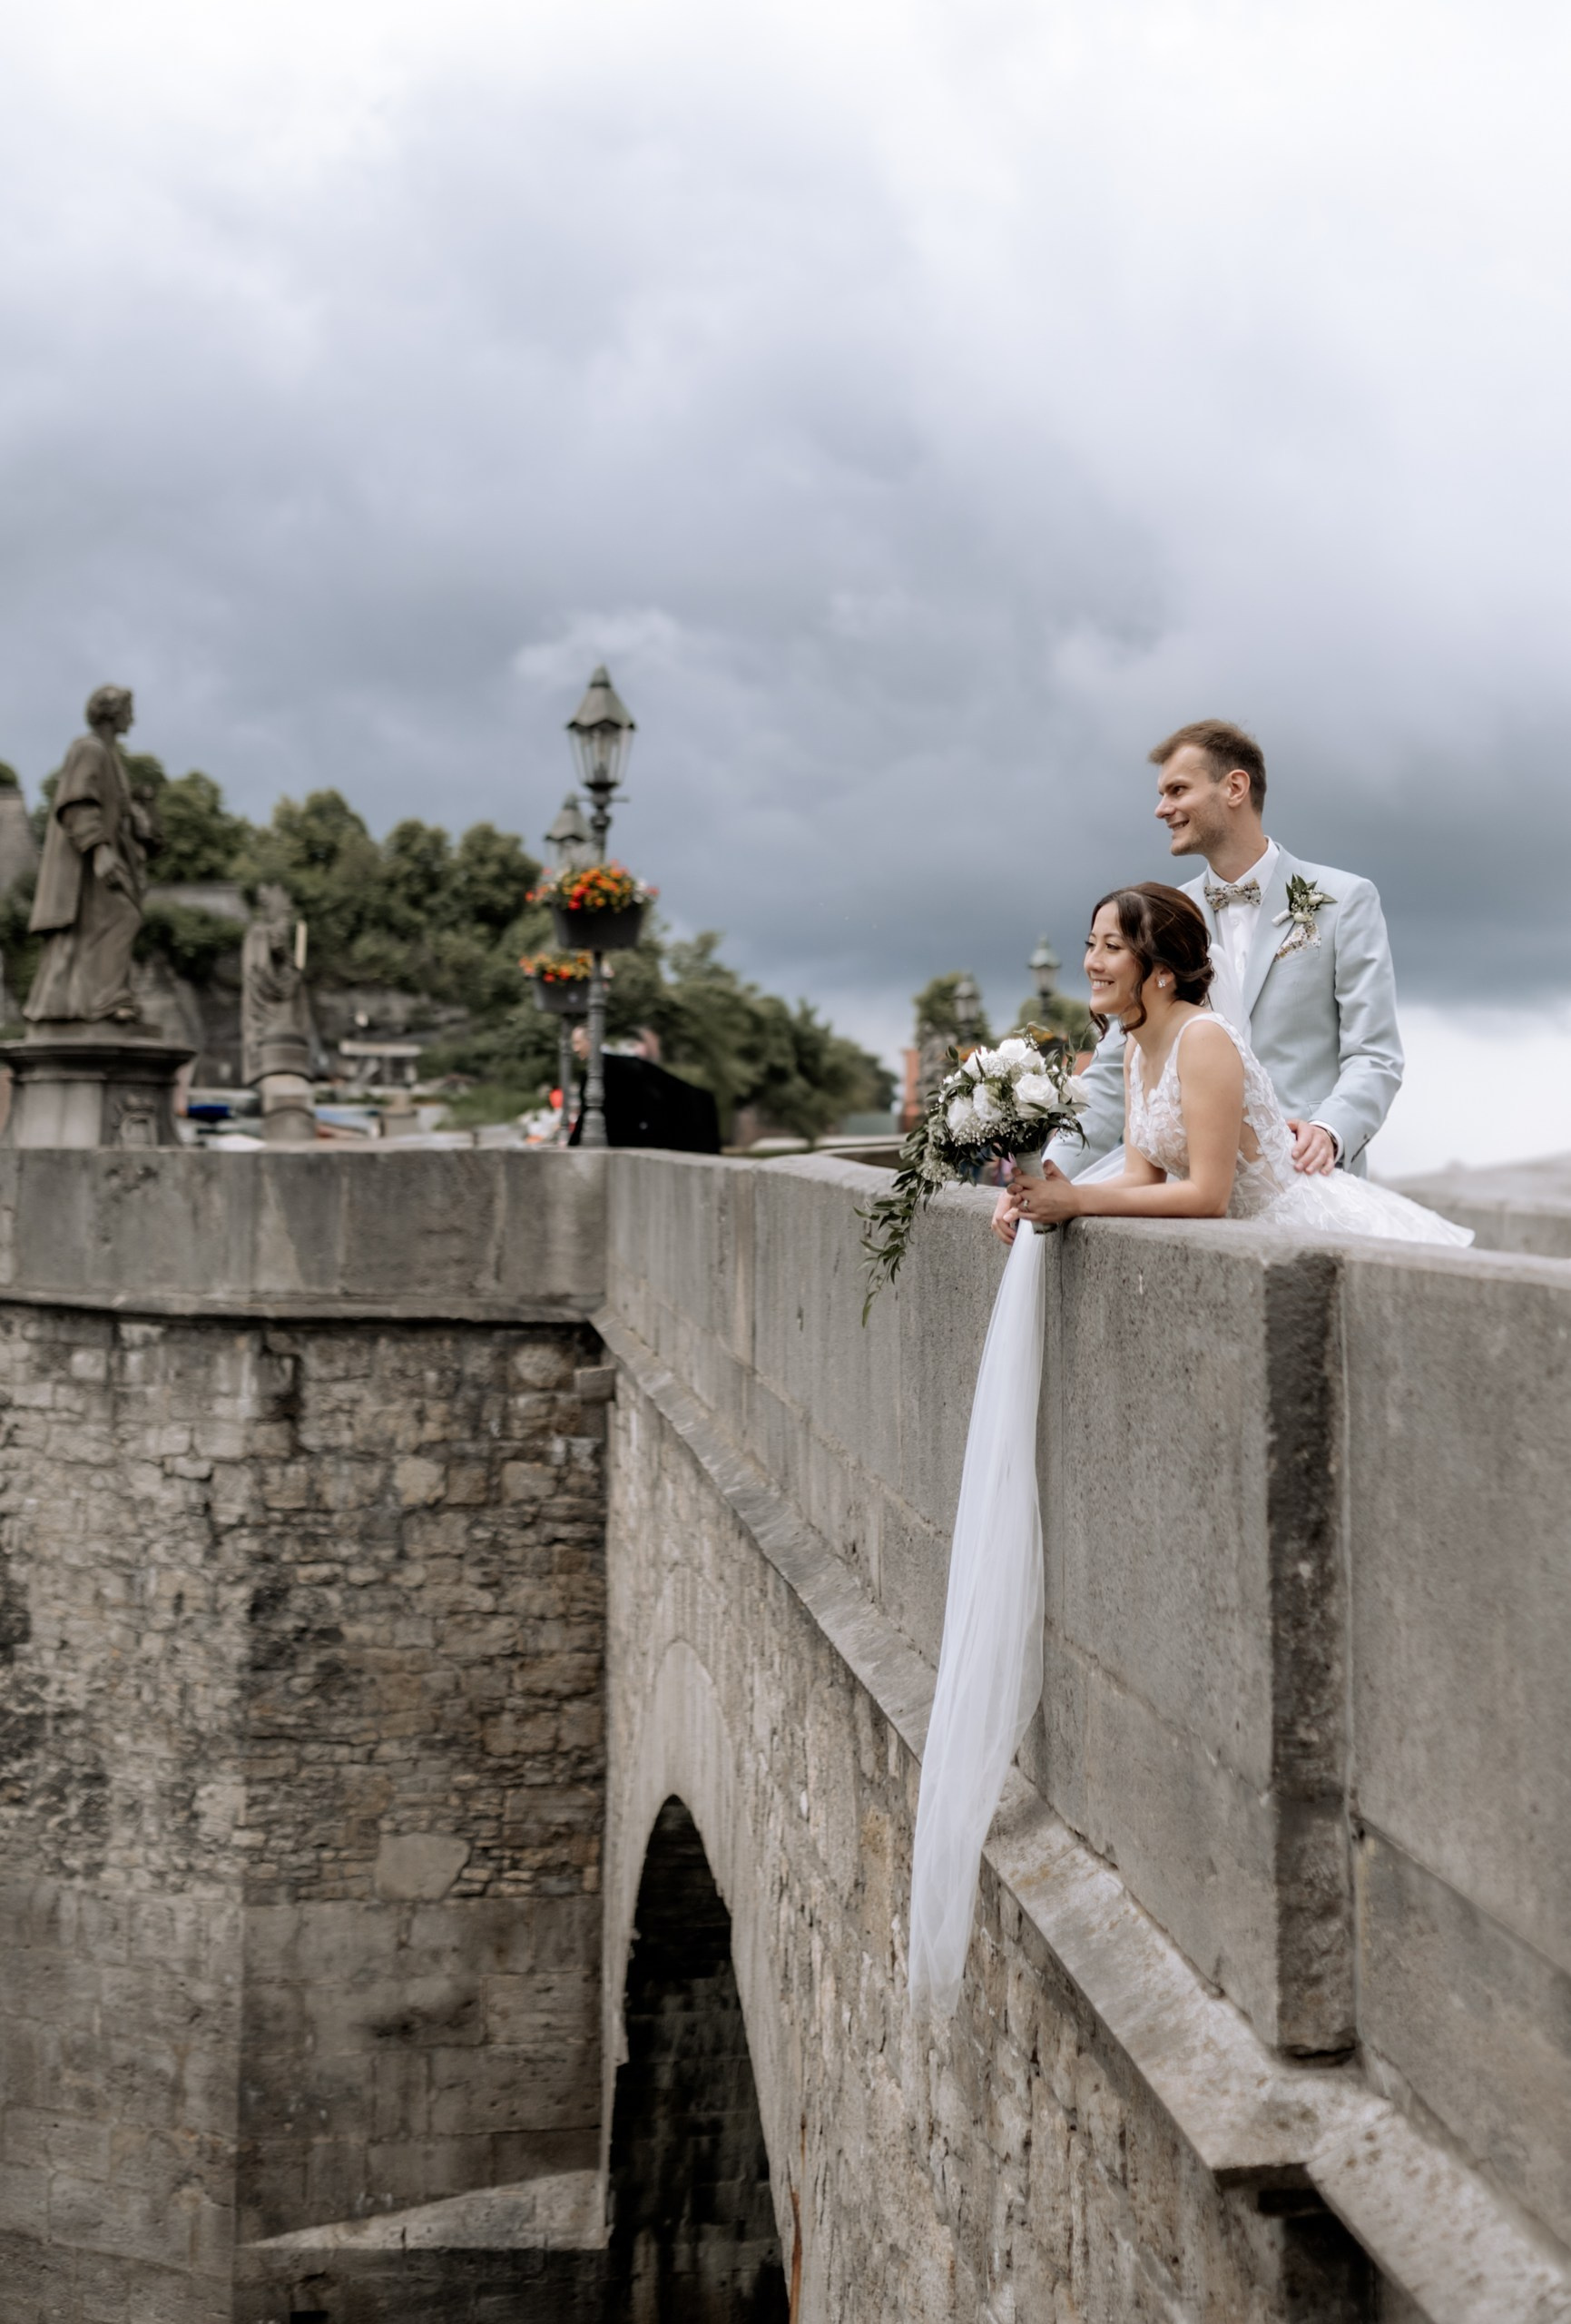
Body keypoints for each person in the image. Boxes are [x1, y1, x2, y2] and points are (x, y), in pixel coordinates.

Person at [909, 881, 1467, 2018]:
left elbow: (1209, 1195)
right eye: (1088, 945)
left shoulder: (1204, 1041)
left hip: (1315, 1239)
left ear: (1161, 964)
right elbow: (1143, 1170)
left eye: (1108, 947)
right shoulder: (1144, 1046)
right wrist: (1048, 1192)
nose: (1091, 962)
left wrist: (1083, 1209)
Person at [993, 718, 1400, 1245]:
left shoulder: (1345, 900)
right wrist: (1043, 1176)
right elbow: (1114, 1071)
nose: (1162, 809)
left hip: (1313, 1197)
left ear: (1234, 787)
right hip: (1201, 1215)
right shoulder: (1160, 917)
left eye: (1177, 790)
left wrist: (1330, 1130)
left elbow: (1375, 1055)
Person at [25, 684, 158, 1028]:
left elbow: (118, 817)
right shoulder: (89, 749)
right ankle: (105, 1000)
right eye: (129, 710)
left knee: (106, 924)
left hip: (103, 859)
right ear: (112, 713)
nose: (134, 717)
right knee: (123, 917)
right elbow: (77, 803)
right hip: (88, 866)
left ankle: (89, 1001)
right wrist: (99, 851)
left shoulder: (111, 758)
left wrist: (141, 816)